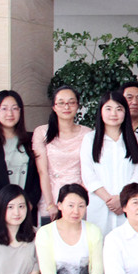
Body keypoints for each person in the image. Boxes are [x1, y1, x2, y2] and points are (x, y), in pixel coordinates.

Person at [0, 90, 41, 230]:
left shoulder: (32, 139)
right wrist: (6, 203)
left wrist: (29, 202)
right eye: (4, 108)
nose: (10, 113)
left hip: (26, 212)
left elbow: (39, 175)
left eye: (14, 108)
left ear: (20, 111)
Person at [80, 91, 138, 237]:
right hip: (99, 203)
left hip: (127, 203)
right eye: (108, 109)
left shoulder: (136, 139)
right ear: (101, 112)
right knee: (98, 241)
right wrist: (109, 199)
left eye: (119, 109)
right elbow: (88, 174)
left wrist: (122, 199)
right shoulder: (90, 139)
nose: (113, 113)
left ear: (125, 112)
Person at [33, 86, 92, 226]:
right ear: (54, 107)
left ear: (77, 105)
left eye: (71, 102)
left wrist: (80, 199)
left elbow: (89, 170)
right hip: (50, 195)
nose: (66, 107)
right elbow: (42, 171)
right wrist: (50, 204)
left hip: (78, 196)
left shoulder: (87, 133)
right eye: (61, 103)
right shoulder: (42, 132)